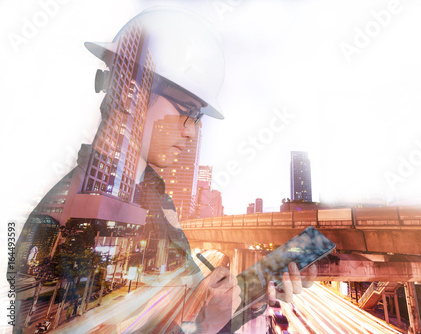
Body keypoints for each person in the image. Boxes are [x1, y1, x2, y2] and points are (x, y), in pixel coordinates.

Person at [12, 6, 316, 334]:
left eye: (197, 118)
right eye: (185, 110)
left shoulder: (156, 203)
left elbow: (182, 308)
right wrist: (203, 325)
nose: (191, 130)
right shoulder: (63, 217)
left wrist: (248, 299)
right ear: (130, 93)